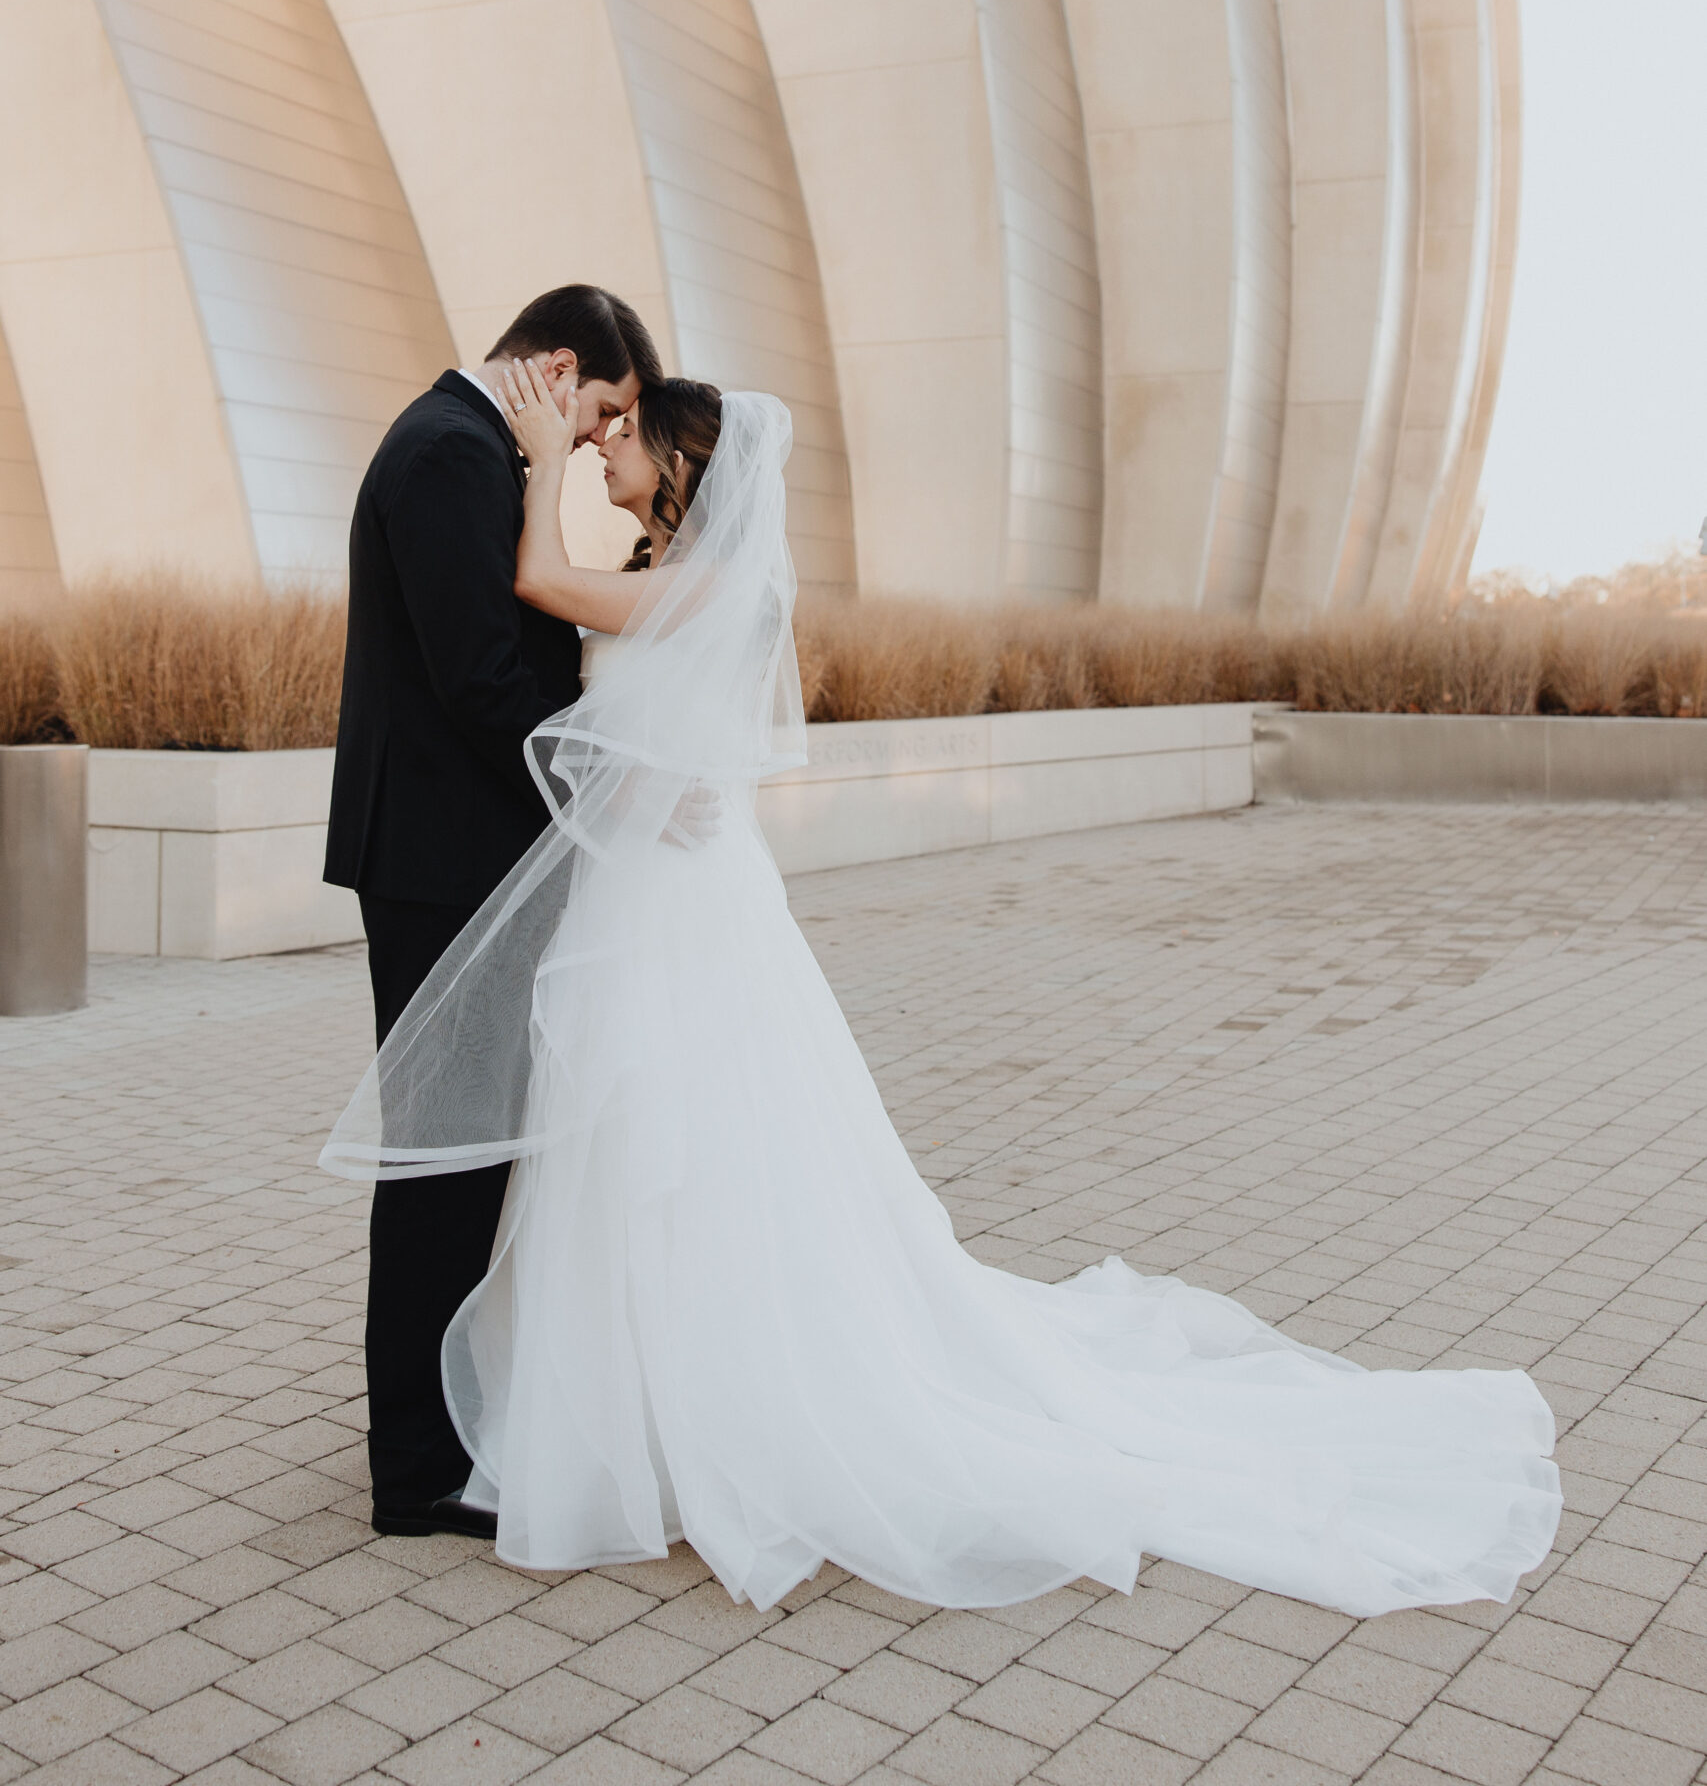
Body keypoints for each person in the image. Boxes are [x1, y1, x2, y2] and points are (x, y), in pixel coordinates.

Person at [323, 375, 1562, 1615]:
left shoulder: (699, 584)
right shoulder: (687, 577)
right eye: (594, 435)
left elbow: (541, 588)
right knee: (639, 1151)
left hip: (670, 911)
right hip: (649, 895)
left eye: (623, 436)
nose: (601, 450)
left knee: (676, 1149)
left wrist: (538, 460)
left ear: (686, 468)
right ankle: (635, 1405)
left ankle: (693, 1413)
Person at [325, 286, 661, 1537]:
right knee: (441, 1158)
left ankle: (435, 1429)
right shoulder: (449, 453)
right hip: (437, 858)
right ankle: (413, 1468)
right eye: (603, 411)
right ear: (558, 364)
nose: (593, 440)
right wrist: (603, 782)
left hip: (449, 850)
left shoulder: (469, 450)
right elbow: (479, 680)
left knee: (468, 1151)